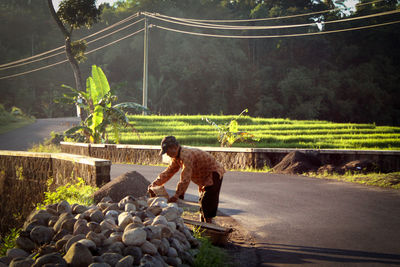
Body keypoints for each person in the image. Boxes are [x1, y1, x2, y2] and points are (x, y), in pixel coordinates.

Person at [148, 136, 225, 223]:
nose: (167, 154)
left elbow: (185, 178)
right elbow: (169, 172)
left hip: (213, 172)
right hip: (203, 177)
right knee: (202, 200)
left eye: (167, 151)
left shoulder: (186, 155)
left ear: (174, 147)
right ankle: (204, 222)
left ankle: (209, 224)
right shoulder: (177, 157)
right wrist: (155, 184)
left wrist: (177, 195)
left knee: (207, 200)